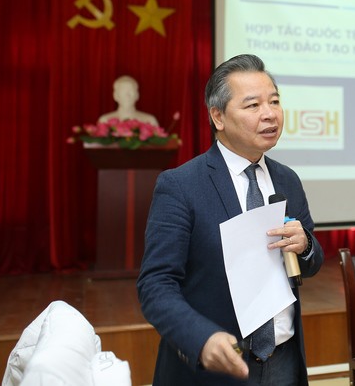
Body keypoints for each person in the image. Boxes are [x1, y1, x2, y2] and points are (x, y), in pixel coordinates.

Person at [137, 54, 324, 386]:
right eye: (253, 105)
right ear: (218, 116)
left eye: (274, 101)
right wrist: (202, 339)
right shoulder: (181, 185)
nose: (270, 114)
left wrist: (306, 245)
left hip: (284, 362)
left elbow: (310, 264)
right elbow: (155, 284)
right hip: (214, 369)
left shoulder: (287, 180)